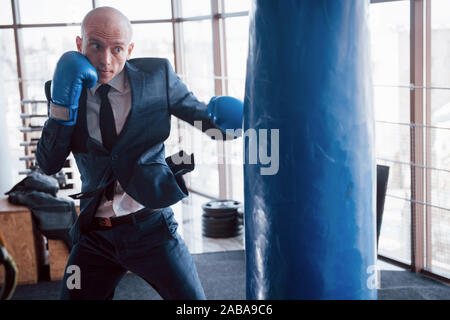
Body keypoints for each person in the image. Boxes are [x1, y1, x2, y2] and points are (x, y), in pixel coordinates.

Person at [36, 6, 243, 300]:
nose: (106, 61)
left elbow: (205, 120)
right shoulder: (62, 88)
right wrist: (61, 112)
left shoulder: (157, 77)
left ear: (129, 49)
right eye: (96, 45)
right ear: (80, 44)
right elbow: (48, 164)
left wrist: (237, 124)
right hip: (95, 236)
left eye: (117, 49)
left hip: (152, 229)